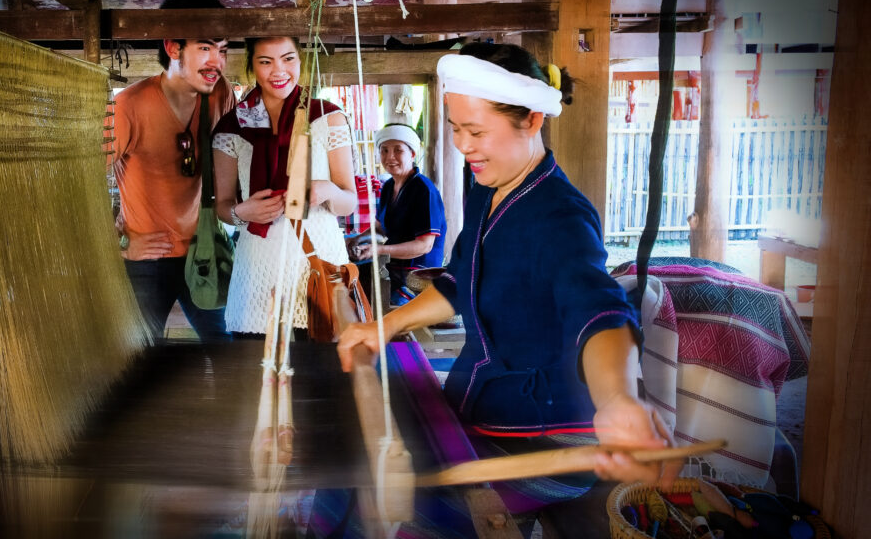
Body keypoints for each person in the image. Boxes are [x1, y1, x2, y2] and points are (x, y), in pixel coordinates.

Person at [336, 43, 679, 538]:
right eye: (455, 129)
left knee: (412, 513)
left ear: (532, 120)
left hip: (544, 437)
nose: (464, 146)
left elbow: (600, 311)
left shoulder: (560, 215)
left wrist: (619, 399)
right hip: (481, 407)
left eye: (476, 131)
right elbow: (457, 281)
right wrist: (382, 326)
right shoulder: (485, 189)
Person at [212, 36, 358, 337]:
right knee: (254, 370)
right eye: (265, 62)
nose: (279, 71)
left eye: (288, 59)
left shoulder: (327, 116)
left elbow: (349, 200)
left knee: (322, 372)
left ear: (300, 61)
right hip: (257, 264)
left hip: (317, 261)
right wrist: (243, 211)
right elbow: (223, 206)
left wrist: (328, 191)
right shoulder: (231, 127)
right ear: (251, 66)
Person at [112, 0, 236, 341]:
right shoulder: (128, 107)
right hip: (146, 261)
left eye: (223, 50)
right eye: (205, 48)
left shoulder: (222, 94)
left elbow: (236, 163)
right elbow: (77, 183)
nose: (217, 62)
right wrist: (119, 246)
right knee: (138, 361)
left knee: (226, 349)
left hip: (205, 251)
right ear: (172, 47)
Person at [348, 123, 446, 306]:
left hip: (419, 277)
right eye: (384, 150)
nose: (390, 157)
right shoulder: (388, 187)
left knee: (376, 302)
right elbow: (379, 229)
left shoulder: (424, 190)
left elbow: (424, 246)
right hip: (393, 269)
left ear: (412, 154)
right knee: (348, 282)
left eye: (398, 150)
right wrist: (357, 240)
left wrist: (379, 250)